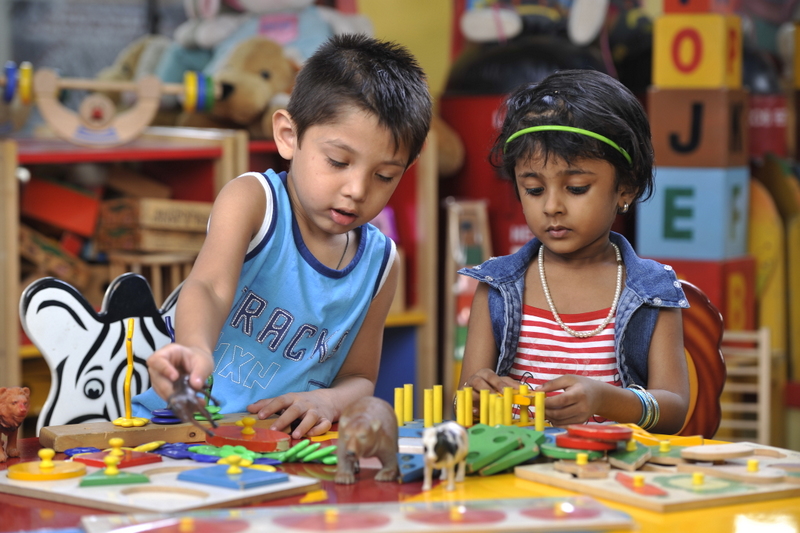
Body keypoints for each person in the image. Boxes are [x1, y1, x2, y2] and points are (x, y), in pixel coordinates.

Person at [132, 34, 432, 439]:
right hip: (183, 430)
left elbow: (360, 377)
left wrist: (328, 401)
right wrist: (195, 349)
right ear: (289, 136)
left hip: (280, 447)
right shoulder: (253, 201)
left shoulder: (381, 264)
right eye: (337, 161)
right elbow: (209, 287)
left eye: (384, 176)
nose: (357, 190)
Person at [457, 69, 690, 434]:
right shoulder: (497, 287)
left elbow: (674, 410)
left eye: (577, 188)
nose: (552, 206)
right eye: (534, 190)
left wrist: (606, 400)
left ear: (626, 187)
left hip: (612, 467)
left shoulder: (652, 291)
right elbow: (464, 404)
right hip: (520, 466)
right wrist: (475, 396)